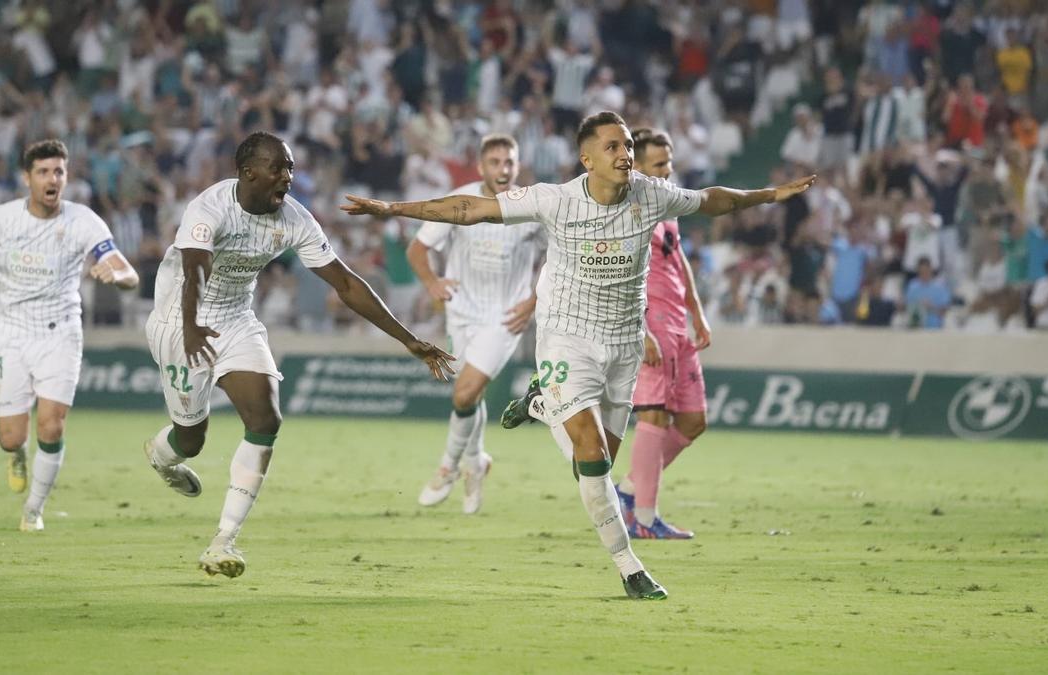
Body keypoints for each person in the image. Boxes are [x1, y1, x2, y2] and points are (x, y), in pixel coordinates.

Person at [342, 111, 816, 600]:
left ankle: (543, 405)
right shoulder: (555, 199)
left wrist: (769, 195)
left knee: (601, 463)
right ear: (586, 158)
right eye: (612, 147)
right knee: (590, 455)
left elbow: (712, 201)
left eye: (628, 144)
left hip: (624, 343)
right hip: (567, 337)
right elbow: (469, 209)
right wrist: (393, 208)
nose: (625, 154)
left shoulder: (651, 195)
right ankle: (629, 567)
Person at [144, 132, 453, 579]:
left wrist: (408, 339)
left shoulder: (294, 218)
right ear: (248, 172)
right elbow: (194, 268)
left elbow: (345, 284)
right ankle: (161, 455)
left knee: (265, 420)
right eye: (278, 168)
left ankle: (223, 540)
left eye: (290, 167)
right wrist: (191, 326)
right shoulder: (207, 209)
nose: (288, 177)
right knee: (190, 440)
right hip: (180, 321)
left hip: (234, 319)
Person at [0, 139, 140, 531]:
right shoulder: (1, 219)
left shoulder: (83, 220)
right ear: (27, 178)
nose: (53, 179)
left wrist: (115, 275)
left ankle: (34, 509)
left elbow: (128, 273)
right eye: (44, 172)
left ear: (66, 177)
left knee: (52, 424)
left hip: (60, 332)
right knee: (10, 436)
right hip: (10, 333)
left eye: (59, 172)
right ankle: (16, 453)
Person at [407, 133, 544, 514]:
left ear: (517, 167)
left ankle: (448, 466)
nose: (503, 169)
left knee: (464, 394)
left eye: (509, 162)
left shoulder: (531, 206)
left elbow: (559, 256)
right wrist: (432, 282)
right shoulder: (459, 201)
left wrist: (534, 299)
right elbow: (417, 249)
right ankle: (477, 461)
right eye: (495, 162)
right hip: (461, 313)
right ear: (481, 167)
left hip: (505, 317)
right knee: (471, 395)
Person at [612, 128, 712, 540]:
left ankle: (629, 490)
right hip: (650, 323)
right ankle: (646, 521)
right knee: (653, 413)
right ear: (636, 166)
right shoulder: (627, 210)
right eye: (659, 165)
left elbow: (678, 257)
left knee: (692, 420)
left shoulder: (665, 205)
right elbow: (622, 274)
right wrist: (641, 329)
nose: (667, 172)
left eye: (669, 164)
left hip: (678, 326)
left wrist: (697, 312)